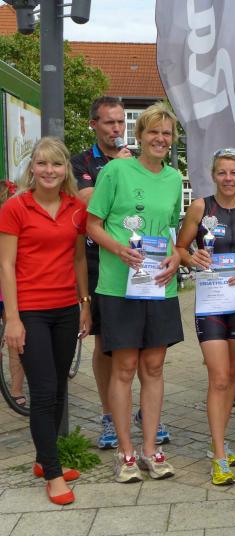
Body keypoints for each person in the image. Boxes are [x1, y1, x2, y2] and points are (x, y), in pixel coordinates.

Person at [86, 102, 184, 483]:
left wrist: (176, 255)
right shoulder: (115, 171)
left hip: (159, 285)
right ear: (139, 135)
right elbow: (92, 225)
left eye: (166, 133)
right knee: (124, 367)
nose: (160, 139)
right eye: (153, 131)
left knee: (154, 367)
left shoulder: (174, 179)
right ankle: (125, 453)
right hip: (119, 286)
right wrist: (119, 249)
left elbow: (171, 230)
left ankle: (150, 450)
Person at [72, 96, 172, 449]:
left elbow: (169, 225)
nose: (116, 129)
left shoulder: (166, 175)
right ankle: (110, 416)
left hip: (149, 268)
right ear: (95, 125)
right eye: (109, 122)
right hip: (101, 264)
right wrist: (125, 173)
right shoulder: (85, 162)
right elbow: (89, 203)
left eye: (120, 122)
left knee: (150, 354)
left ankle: (145, 414)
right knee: (109, 347)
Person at [0, 137, 92, 505]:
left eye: (56, 164)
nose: (49, 170)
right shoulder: (15, 207)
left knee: (58, 390)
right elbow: (5, 264)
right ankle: (52, 474)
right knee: (42, 391)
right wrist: (12, 319)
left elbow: (79, 259)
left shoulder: (75, 208)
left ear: (65, 169)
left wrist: (84, 303)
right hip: (31, 312)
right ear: (32, 168)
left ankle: (44, 459)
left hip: (66, 309)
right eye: (42, 163)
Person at [175, 147, 235, 485]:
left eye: (234, 172)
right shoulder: (201, 207)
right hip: (210, 304)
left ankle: (220, 440)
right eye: (222, 172)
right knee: (219, 377)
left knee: (231, 376)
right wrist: (193, 259)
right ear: (213, 175)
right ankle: (219, 457)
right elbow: (180, 248)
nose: (228, 178)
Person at [0, 179, 26, 410]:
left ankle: (16, 389)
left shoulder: (13, 218)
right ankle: (16, 389)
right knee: (13, 343)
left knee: (14, 341)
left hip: (9, 287)